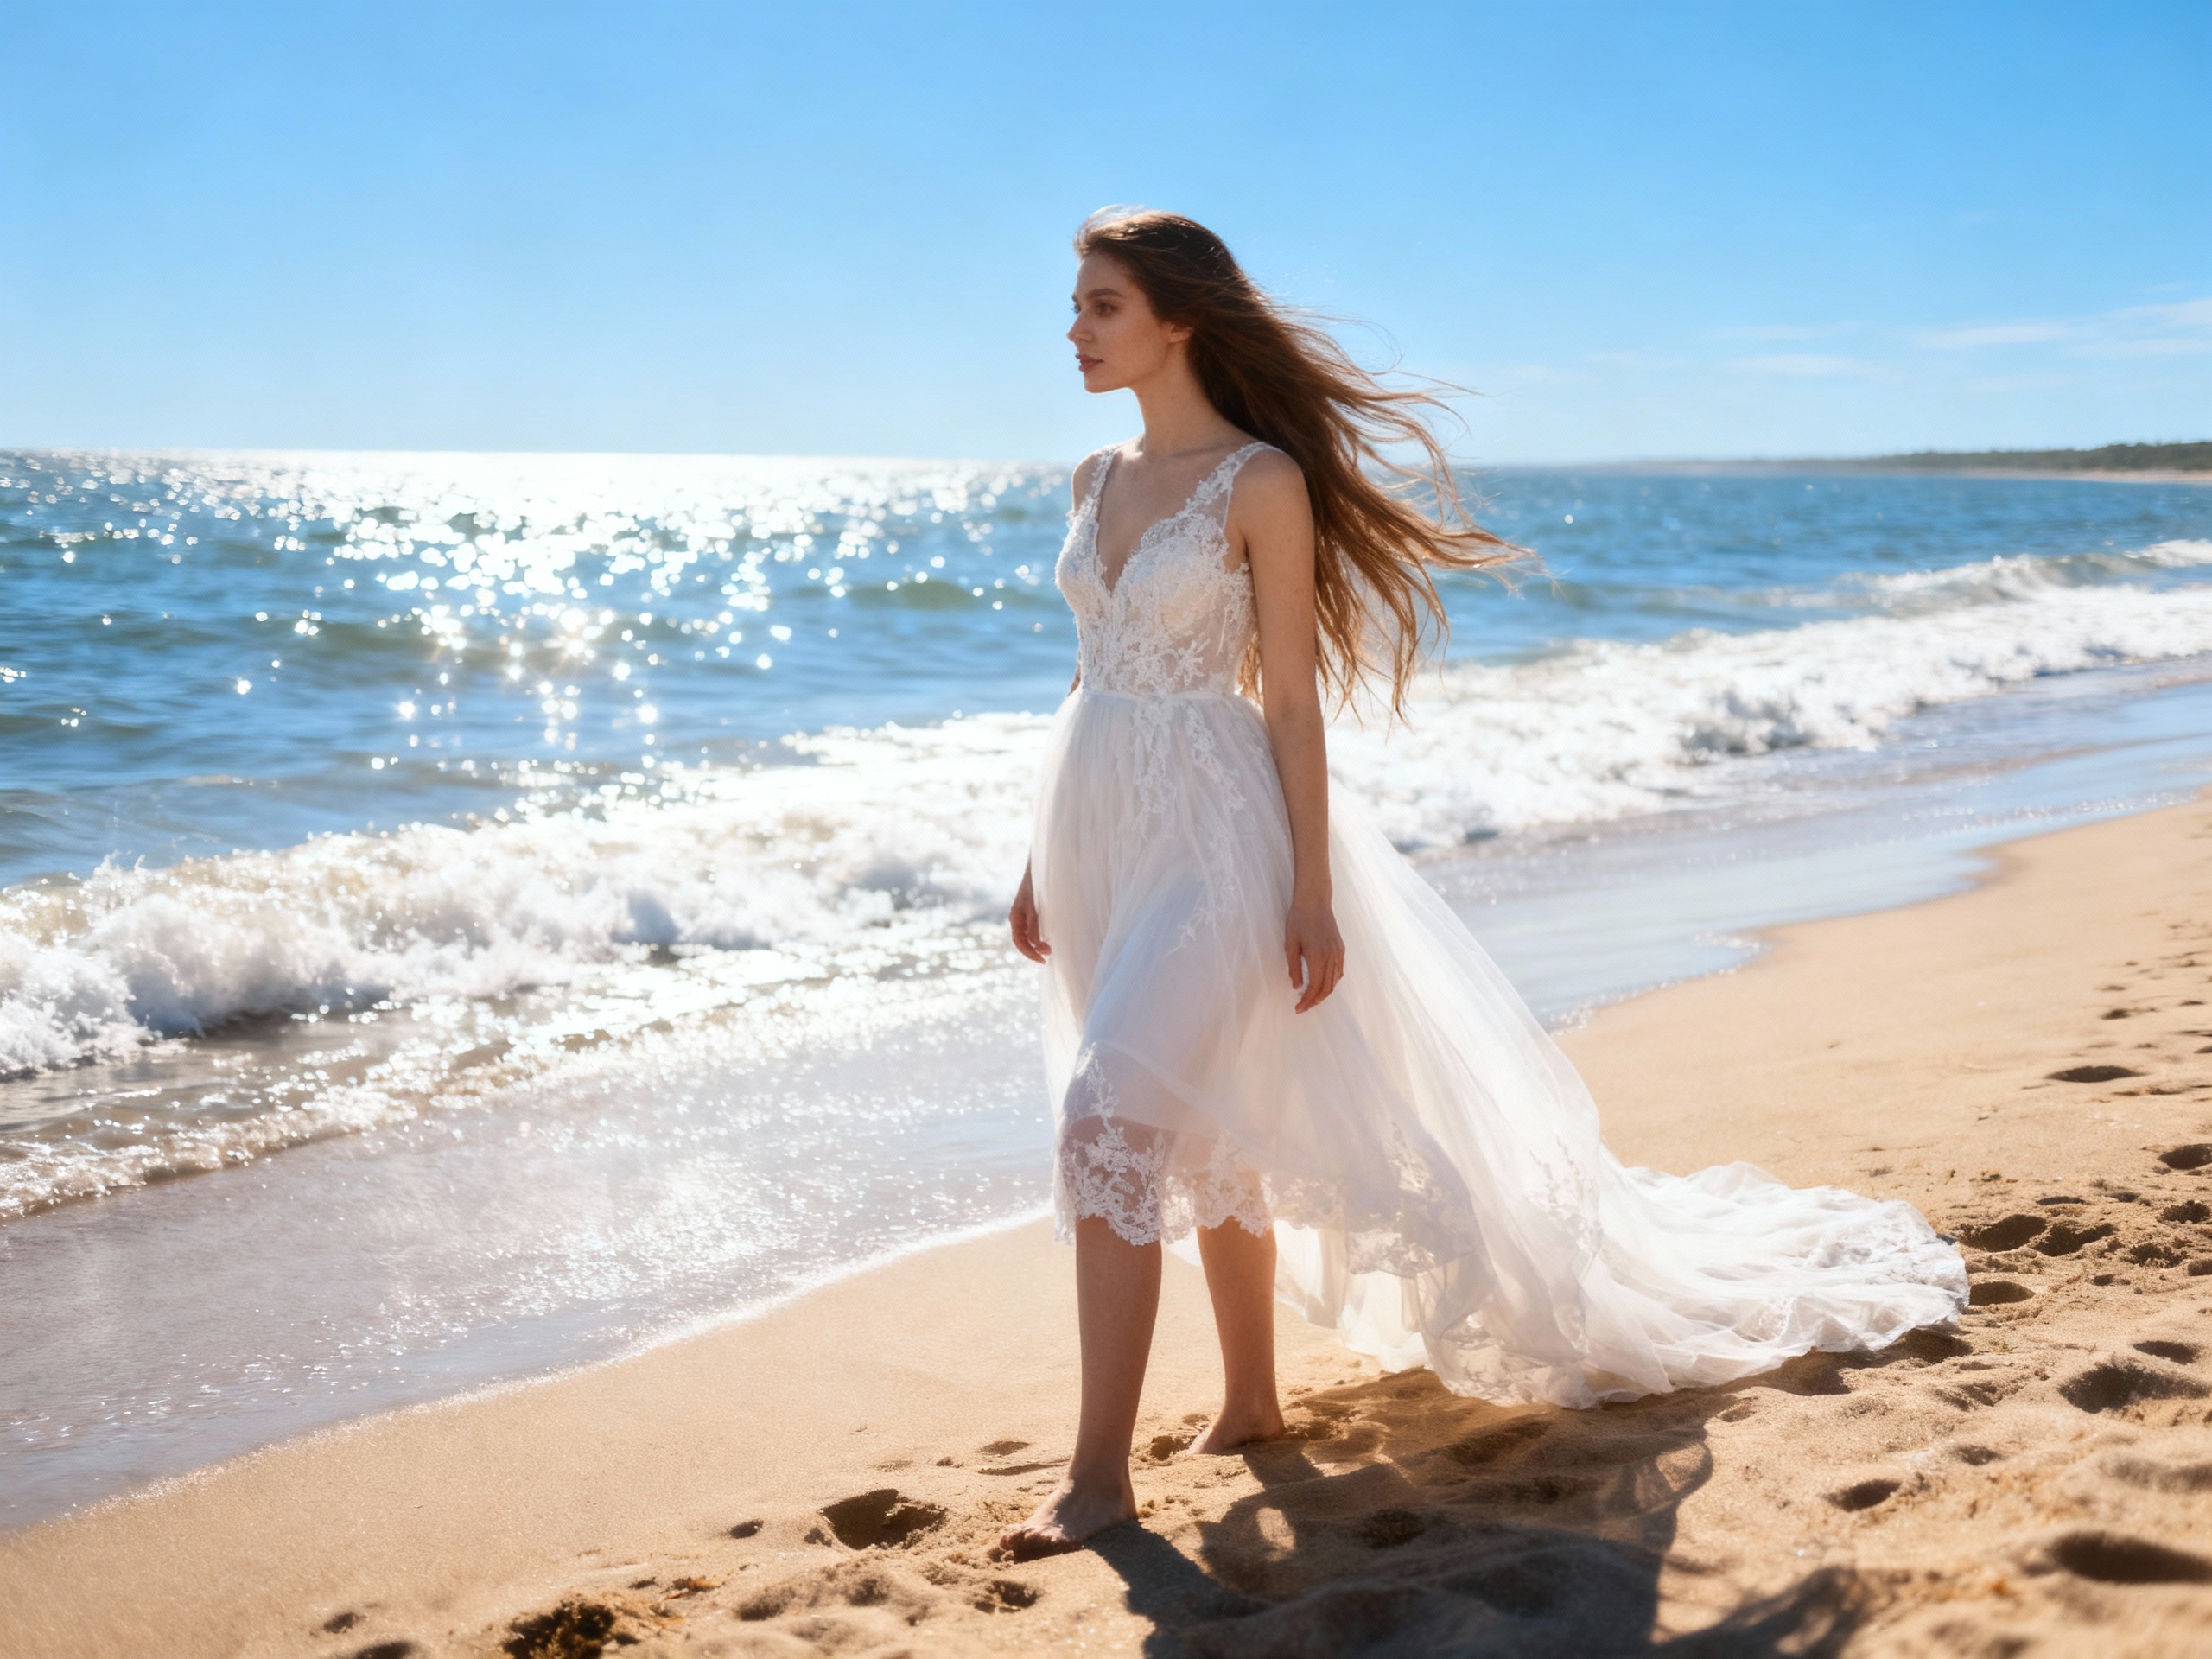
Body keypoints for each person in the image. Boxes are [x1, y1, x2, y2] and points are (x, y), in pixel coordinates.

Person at [996, 208, 1967, 1560]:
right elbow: (1087, 670)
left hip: (1217, 833)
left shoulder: (1259, 480)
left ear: (1179, 320)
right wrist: (1038, 860)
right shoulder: (1092, 480)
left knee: (1108, 1121)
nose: (1074, 329)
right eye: (1077, 305)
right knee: (1191, 1116)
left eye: (1101, 305)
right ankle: (1254, 1403)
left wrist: (1313, 891)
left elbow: (1288, 701)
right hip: (1098, 818)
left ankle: (1096, 1478)